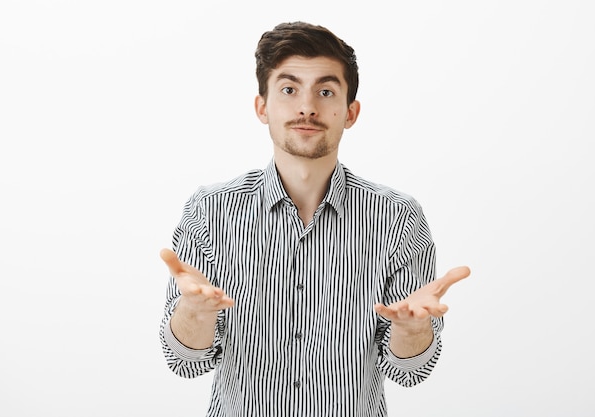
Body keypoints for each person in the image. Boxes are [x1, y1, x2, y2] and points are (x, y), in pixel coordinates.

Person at [159, 21, 470, 416]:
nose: (307, 107)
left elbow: (410, 371)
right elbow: (187, 362)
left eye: (325, 91)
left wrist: (412, 331)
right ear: (262, 107)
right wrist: (194, 315)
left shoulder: (398, 217)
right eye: (289, 90)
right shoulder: (210, 211)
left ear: (351, 112)